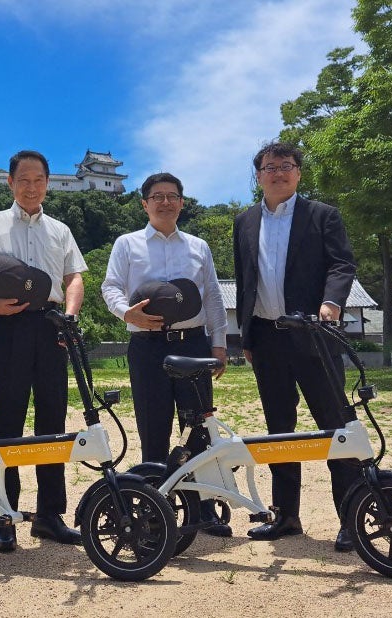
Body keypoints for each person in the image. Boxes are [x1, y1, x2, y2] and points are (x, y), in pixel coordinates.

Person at [233, 141, 358, 551]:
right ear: (259, 176)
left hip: (314, 333)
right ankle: (286, 515)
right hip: (267, 339)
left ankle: (352, 518)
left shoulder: (322, 215)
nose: (278, 173)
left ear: (298, 173)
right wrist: (247, 336)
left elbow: (343, 264)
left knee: (336, 425)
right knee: (278, 430)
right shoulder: (244, 221)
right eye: (270, 167)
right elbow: (245, 279)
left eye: (286, 166)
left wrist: (331, 303)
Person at [0, 150, 87, 552]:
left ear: (48, 183)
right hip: (7, 324)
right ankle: (4, 516)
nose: (31, 187)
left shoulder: (61, 230)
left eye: (39, 180)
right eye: (23, 180)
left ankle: (50, 516)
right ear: (10, 182)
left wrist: (69, 316)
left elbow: (74, 279)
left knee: (52, 420)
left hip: (52, 326)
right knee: (6, 420)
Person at [102, 172, 231, 537]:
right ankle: (155, 511)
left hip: (192, 342)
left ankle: (205, 507)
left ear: (182, 202)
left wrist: (218, 343)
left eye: (172, 195)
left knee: (199, 427)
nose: (165, 202)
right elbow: (110, 285)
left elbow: (212, 296)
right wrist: (126, 313)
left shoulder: (198, 246)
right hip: (147, 345)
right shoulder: (126, 244)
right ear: (144, 203)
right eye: (157, 196)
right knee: (153, 427)